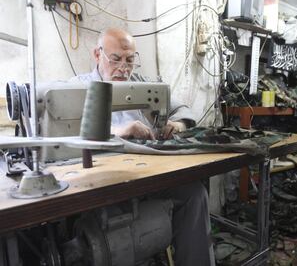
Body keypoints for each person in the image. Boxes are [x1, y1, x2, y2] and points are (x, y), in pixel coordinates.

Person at [71, 28, 215, 266]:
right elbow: (67, 130)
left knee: (194, 193)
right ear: (97, 55)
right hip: (103, 184)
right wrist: (119, 131)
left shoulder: (142, 84)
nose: (123, 68)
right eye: (115, 59)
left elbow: (183, 110)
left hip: (147, 176)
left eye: (130, 60)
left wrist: (176, 125)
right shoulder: (78, 88)